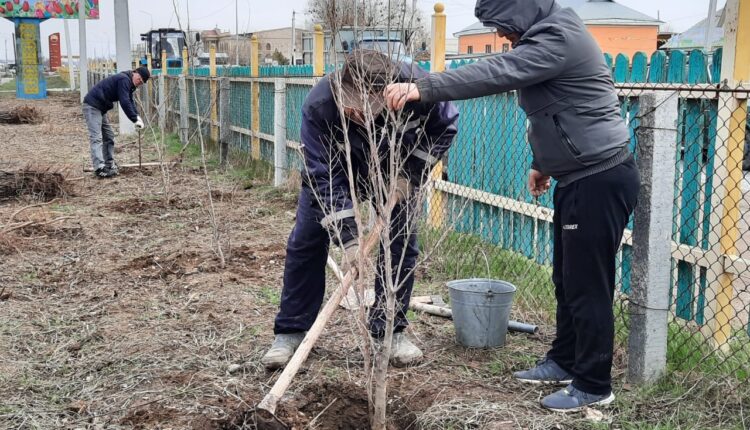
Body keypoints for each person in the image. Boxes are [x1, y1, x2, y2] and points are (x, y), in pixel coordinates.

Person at [385, 0, 640, 412]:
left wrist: (426, 87)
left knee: (587, 285)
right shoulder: (547, 35)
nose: (502, 36)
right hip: (579, 176)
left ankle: (594, 384)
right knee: (567, 278)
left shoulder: (558, 37)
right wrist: (543, 164)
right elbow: (556, 106)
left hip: (599, 178)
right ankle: (565, 360)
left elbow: (497, 73)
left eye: (502, 25)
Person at [261, 50, 459, 370]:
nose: (354, 111)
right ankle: (291, 331)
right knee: (307, 240)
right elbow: (322, 176)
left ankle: (389, 332)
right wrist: (351, 240)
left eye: (364, 105)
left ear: (388, 94)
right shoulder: (320, 104)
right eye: (348, 102)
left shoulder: (419, 89)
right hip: (337, 172)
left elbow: (445, 127)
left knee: (400, 242)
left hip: (395, 171)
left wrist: (411, 175)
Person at [83, 67, 149, 178]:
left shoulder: (128, 82)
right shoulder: (124, 79)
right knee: (96, 138)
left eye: (141, 83)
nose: (139, 84)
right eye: (140, 80)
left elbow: (130, 101)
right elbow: (124, 101)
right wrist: (134, 118)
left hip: (100, 108)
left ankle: (109, 164)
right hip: (92, 106)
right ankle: (99, 168)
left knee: (109, 136)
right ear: (135, 73)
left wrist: (137, 117)